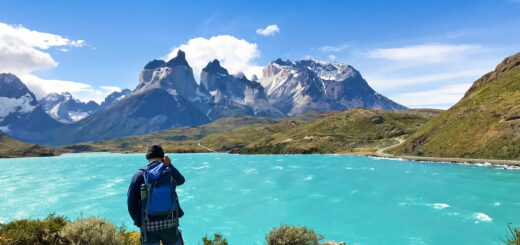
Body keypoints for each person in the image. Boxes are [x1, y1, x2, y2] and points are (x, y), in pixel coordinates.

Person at [127, 144, 185, 245]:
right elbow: (181, 180)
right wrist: (170, 165)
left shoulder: (139, 175)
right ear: (163, 157)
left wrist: (139, 221)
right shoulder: (169, 171)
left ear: (148, 157)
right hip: (170, 222)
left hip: (148, 224)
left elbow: (131, 203)